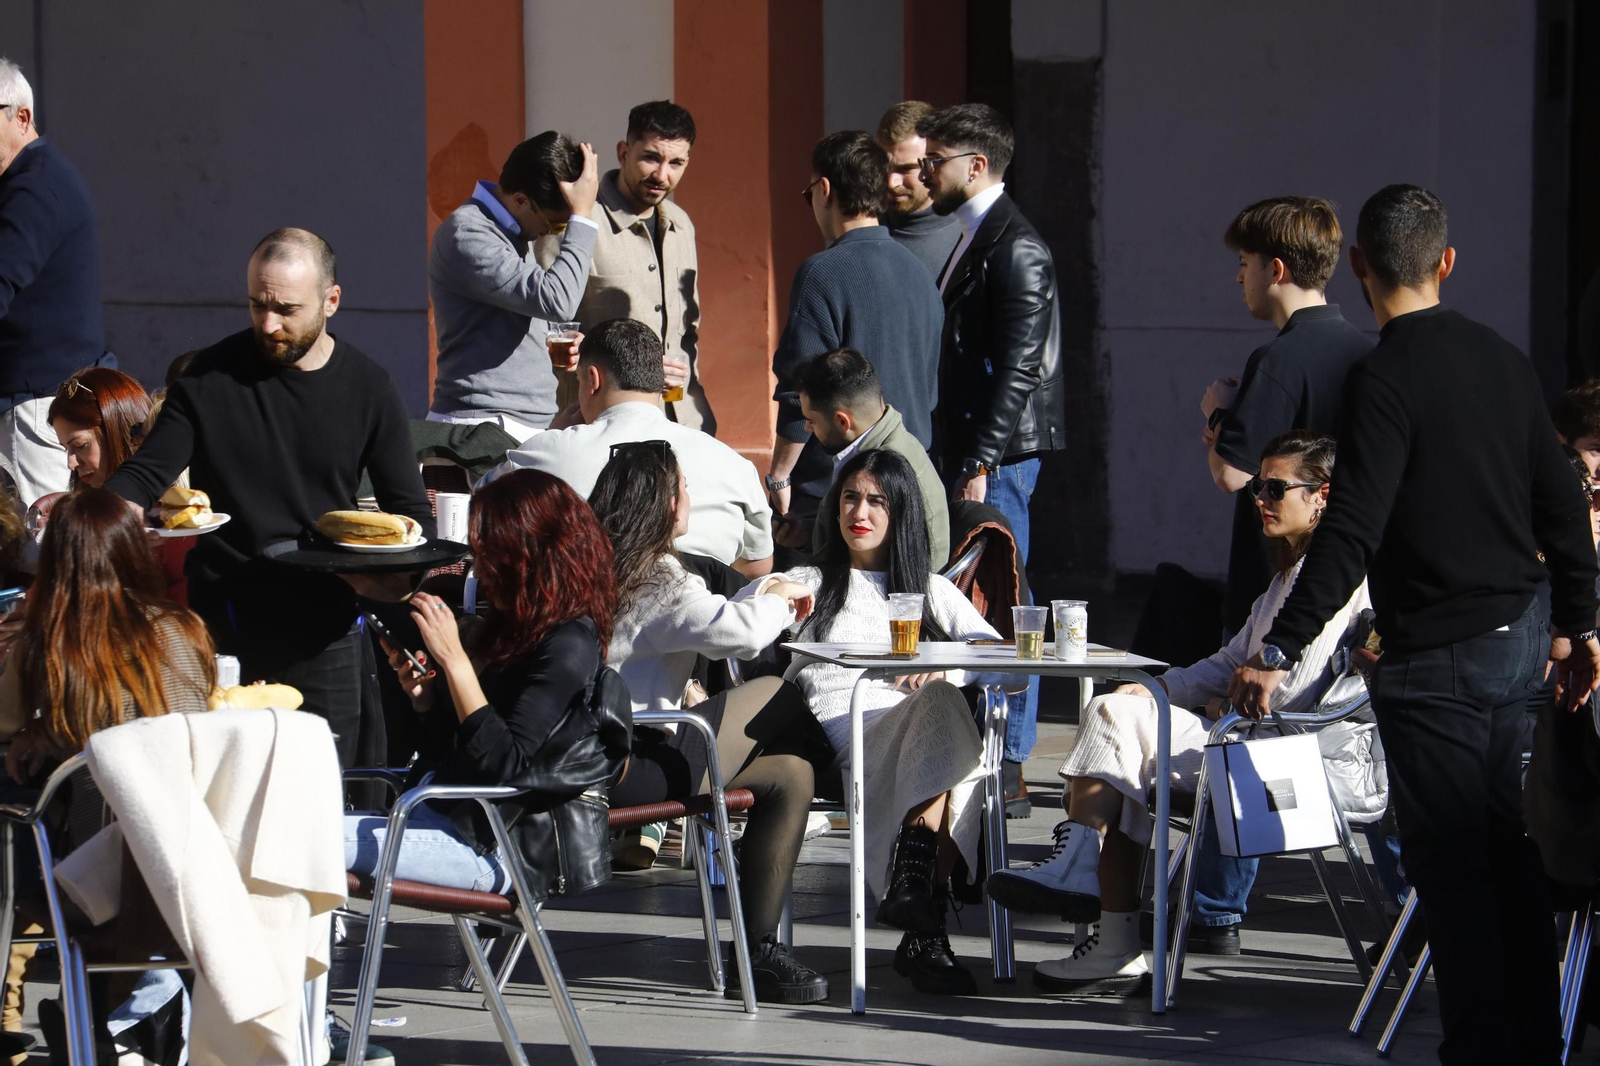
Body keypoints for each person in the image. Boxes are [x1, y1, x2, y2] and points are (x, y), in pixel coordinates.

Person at [1228, 185, 1600, 1066]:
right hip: (1515, 640)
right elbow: (1561, 507)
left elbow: (1352, 526)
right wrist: (1581, 627)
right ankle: (1532, 1042)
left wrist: (1278, 645)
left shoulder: (1383, 377)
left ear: (1358, 267)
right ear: (1447, 262)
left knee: (1455, 865)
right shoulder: (1507, 363)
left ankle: (1480, 1047)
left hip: (1434, 655)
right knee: (1503, 848)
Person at [989, 432, 1369, 991]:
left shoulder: (1335, 582)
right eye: (1258, 486)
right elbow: (1228, 662)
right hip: (1243, 741)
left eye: (1275, 488)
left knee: (1117, 729)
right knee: (1121, 731)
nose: (1259, 497)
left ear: (1322, 497)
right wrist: (1159, 689)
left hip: (1283, 762)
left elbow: (1281, 698)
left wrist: (1205, 701)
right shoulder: (1287, 580)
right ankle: (1104, 925)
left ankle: (1094, 900)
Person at [103, 227, 433, 770]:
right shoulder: (209, 376)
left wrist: (389, 581)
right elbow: (144, 475)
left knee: (329, 795)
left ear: (332, 301)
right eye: (257, 305)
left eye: (286, 309)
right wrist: (91, 515)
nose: (269, 324)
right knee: (220, 787)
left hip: (323, 625)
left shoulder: (369, 387)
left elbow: (411, 516)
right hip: (222, 620)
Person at [742, 448, 1009, 995]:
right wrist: (774, 589)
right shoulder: (815, 580)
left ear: (899, 512)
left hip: (919, 726)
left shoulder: (928, 590)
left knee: (945, 711)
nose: (858, 512)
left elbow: (998, 656)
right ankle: (924, 926)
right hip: (849, 729)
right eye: (849, 498)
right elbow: (749, 606)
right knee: (963, 756)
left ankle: (915, 896)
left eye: (876, 501)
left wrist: (948, 671)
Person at [586, 442, 832, 1003]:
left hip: (607, 753)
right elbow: (739, 635)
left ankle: (758, 949)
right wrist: (782, 599)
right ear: (668, 503)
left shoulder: (612, 565)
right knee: (775, 693)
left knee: (792, 773)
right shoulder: (658, 578)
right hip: (633, 764)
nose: (690, 498)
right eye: (685, 487)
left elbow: (712, 617)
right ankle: (840, 767)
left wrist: (764, 592)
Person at [0, 488, 215, 1063]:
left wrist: (40, 734)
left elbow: (6, 719)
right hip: (196, 872)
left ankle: (24, 1010)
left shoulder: (48, 641)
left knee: (19, 824)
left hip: (99, 882)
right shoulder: (186, 629)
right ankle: (109, 1019)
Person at [916, 102, 1063, 794]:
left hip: (996, 456)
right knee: (979, 596)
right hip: (975, 448)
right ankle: (987, 747)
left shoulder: (1016, 246)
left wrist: (979, 460)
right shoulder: (977, 235)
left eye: (934, 160)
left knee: (1003, 598)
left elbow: (1019, 369)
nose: (922, 172)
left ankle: (1007, 758)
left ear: (976, 167)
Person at [766, 131, 943, 562]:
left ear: (824, 189)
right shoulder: (920, 273)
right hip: (907, 482)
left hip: (839, 493)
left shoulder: (821, 273)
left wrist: (779, 477)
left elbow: (800, 389)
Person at [481, 318, 772, 577]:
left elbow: (480, 513)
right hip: (706, 627)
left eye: (580, 380)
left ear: (593, 380)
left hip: (590, 627)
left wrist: (551, 438)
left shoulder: (545, 452)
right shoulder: (733, 464)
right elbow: (756, 567)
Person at [1202, 197, 1372, 638]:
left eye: (1244, 263)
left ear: (1275, 271)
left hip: (1274, 589)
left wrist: (1219, 409)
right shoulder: (1368, 353)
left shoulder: (1278, 359)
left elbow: (1231, 474)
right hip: (1349, 580)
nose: (1239, 277)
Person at [428, 132, 601, 441]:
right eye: (557, 225)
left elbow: (526, 310)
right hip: (482, 427)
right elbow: (558, 300)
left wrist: (549, 338)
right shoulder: (468, 233)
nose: (553, 233)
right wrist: (583, 218)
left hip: (516, 422)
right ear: (521, 200)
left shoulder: (510, 232)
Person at [0, 58, 114, 507]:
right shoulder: (25, 182)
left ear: (21, 117)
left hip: (34, 409)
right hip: (37, 403)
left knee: (42, 555)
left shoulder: (36, 189)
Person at [572, 101, 713, 432]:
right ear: (623, 153)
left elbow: (687, 331)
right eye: (651, 157)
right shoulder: (581, 222)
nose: (662, 175)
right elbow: (549, 332)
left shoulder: (681, 224)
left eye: (676, 162)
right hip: (603, 425)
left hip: (684, 421)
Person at [45, 366, 193, 604]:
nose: (71, 463)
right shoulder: (85, 508)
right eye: (66, 449)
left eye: (80, 445)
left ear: (117, 431)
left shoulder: (176, 510)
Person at [795, 348, 949, 570]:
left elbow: (916, 571)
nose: (806, 427)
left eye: (812, 420)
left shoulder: (889, 465)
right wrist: (807, 534)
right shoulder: (882, 444)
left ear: (842, 422)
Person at [875, 101, 961, 282]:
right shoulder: (865, 230)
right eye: (884, 168)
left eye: (906, 169)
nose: (892, 182)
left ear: (934, 164)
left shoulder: (967, 237)